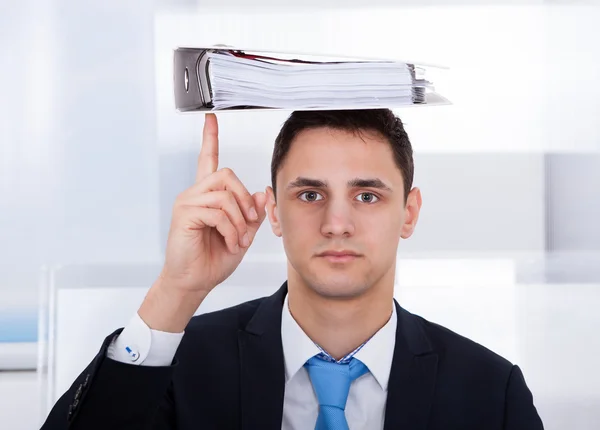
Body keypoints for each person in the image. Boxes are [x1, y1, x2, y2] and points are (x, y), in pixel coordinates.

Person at [41, 109, 544, 430]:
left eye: (366, 195)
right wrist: (177, 289)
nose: (336, 223)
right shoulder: (182, 368)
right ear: (275, 212)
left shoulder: (489, 393)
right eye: (310, 194)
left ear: (408, 213)